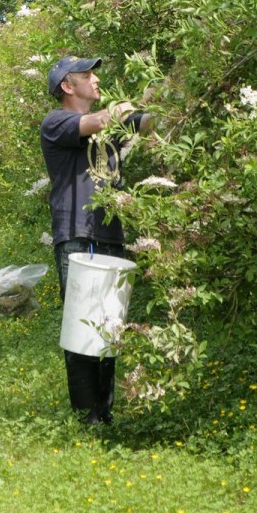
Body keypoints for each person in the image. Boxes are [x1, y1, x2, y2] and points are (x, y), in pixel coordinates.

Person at [40, 55, 152, 425]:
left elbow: (148, 123)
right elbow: (98, 121)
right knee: (82, 325)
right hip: (77, 235)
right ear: (67, 87)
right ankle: (86, 414)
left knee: (110, 326)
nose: (96, 79)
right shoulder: (56, 122)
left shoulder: (111, 124)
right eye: (86, 75)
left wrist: (169, 96)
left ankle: (105, 413)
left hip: (111, 235)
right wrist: (120, 109)